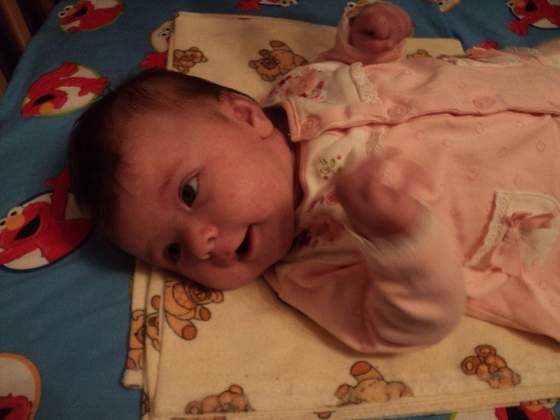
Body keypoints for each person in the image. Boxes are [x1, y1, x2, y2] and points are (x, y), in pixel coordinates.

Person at [68, 2, 560, 353]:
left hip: (531, 73)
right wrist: (403, 243)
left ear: (245, 116)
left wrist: (367, 44)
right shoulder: (309, 266)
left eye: (189, 191)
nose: (199, 245)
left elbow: (353, 74)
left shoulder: (297, 88)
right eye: (173, 252)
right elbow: (397, 327)